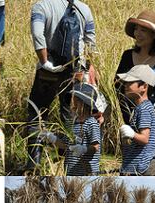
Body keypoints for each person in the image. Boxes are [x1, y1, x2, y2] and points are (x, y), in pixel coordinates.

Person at [21, 0, 96, 171]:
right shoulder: (84, 9)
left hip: (49, 71)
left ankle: (34, 164)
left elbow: (37, 33)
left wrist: (45, 62)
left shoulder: (41, 6)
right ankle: (66, 163)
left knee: (37, 113)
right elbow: (91, 41)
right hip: (75, 70)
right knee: (69, 116)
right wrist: (87, 66)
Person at [115, 11, 155, 168]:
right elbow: (117, 85)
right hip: (130, 115)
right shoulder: (127, 56)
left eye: (143, 30)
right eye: (136, 29)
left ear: (154, 35)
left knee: (152, 159)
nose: (137, 34)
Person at [40, 83, 101, 175]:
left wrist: (84, 149)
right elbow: (65, 146)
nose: (74, 103)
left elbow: (95, 147)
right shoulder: (71, 124)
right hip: (70, 171)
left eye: (78, 100)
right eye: (73, 100)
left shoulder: (91, 123)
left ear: (87, 104)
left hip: (86, 173)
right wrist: (52, 138)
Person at [118, 65, 155, 175]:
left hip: (142, 166)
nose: (125, 86)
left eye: (130, 82)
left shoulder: (144, 109)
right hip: (137, 165)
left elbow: (145, 139)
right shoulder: (140, 108)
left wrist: (132, 134)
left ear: (144, 87)